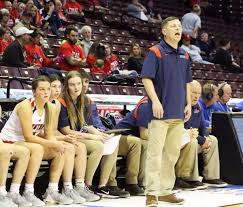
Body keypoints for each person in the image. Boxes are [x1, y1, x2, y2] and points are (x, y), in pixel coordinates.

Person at [141, 16, 192, 206]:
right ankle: (151, 193)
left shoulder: (185, 55)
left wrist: (188, 104)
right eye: (173, 26)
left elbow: (187, 83)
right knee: (155, 154)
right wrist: (155, 101)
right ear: (164, 31)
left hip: (178, 114)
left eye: (179, 26)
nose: (177, 29)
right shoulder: (156, 52)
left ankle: (164, 191)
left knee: (171, 154)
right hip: (160, 114)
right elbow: (146, 78)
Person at [0, 75, 73, 205]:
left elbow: (49, 135)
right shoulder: (25, 106)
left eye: (48, 89)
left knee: (61, 150)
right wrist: (52, 143)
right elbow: (29, 136)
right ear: (34, 92)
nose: (46, 92)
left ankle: (52, 191)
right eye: (42, 89)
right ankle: (23, 191)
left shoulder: (50, 107)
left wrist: (57, 144)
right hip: (10, 140)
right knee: (38, 148)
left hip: (26, 143)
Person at [58, 71, 127, 198]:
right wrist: (93, 136)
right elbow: (66, 131)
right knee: (98, 146)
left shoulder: (84, 100)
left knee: (112, 142)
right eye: (72, 85)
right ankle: (87, 185)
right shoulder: (61, 102)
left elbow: (87, 125)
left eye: (78, 83)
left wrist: (99, 133)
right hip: (69, 138)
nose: (76, 87)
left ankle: (102, 186)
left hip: (80, 136)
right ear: (67, 86)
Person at [80, 69, 143, 196]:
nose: (84, 85)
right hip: (84, 136)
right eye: (81, 82)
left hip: (97, 133)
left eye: (86, 82)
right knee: (108, 143)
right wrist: (96, 133)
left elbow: (96, 122)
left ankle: (130, 183)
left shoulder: (89, 101)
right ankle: (110, 183)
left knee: (129, 142)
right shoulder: (71, 102)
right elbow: (81, 126)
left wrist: (102, 132)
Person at [49, 74, 100, 202]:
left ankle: (79, 187)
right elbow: (46, 132)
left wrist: (96, 133)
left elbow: (85, 125)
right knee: (74, 147)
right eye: (52, 87)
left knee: (80, 147)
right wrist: (64, 138)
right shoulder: (58, 103)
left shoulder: (57, 103)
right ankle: (64, 188)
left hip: (58, 137)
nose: (56, 90)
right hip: (44, 139)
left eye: (58, 87)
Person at [176, 80, 227, 189]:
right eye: (193, 93)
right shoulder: (179, 105)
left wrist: (204, 138)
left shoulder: (198, 107)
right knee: (193, 141)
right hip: (180, 141)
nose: (196, 96)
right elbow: (182, 131)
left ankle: (211, 177)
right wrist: (201, 140)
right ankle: (190, 178)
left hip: (194, 137)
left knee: (212, 139)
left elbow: (202, 126)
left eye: (198, 93)